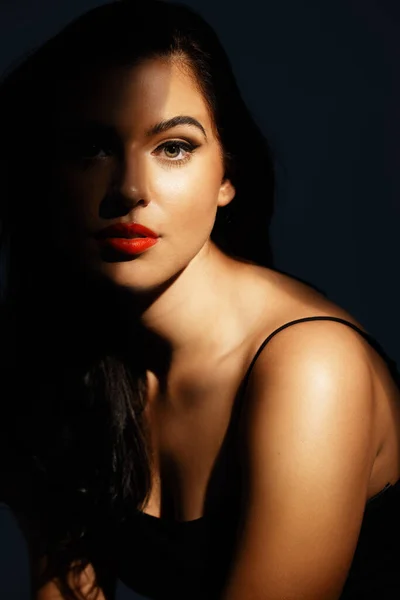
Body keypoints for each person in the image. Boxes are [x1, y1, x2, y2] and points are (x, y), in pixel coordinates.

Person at [0, 1, 399, 599]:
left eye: (175, 147)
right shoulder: (58, 359)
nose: (131, 189)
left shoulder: (311, 368)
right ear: (44, 176)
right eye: (92, 147)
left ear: (226, 175)